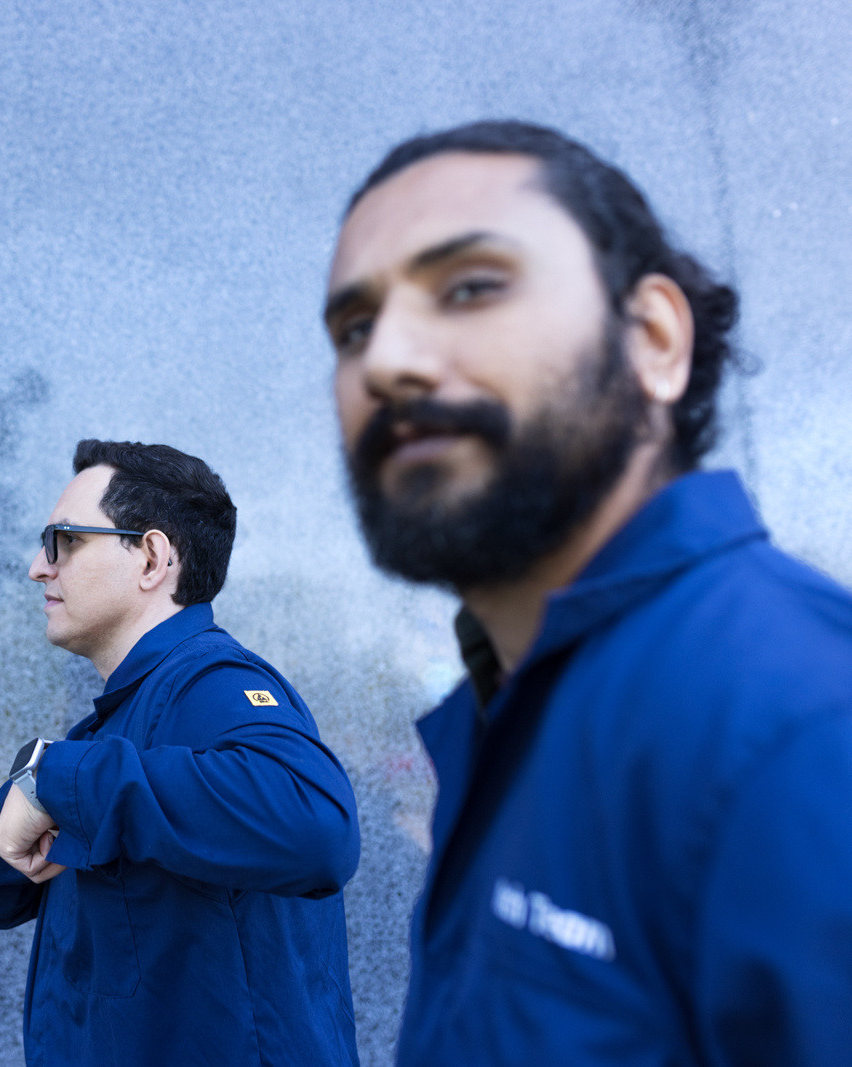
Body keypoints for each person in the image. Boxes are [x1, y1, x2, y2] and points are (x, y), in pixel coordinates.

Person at [323, 119, 852, 1065]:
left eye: (471, 287)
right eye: (354, 328)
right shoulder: (511, 711)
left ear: (654, 339)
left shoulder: (800, 728)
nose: (388, 360)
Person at [0, 439, 361, 1067]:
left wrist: (62, 781)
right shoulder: (103, 732)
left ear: (150, 558)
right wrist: (44, 779)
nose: (38, 567)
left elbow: (318, 828)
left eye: (64, 541)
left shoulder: (215, 684)